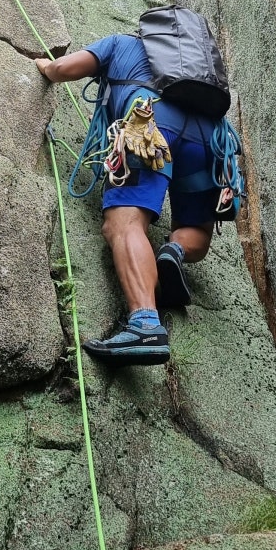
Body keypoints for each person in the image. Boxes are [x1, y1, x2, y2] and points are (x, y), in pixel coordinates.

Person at [36, 27, 223, 366]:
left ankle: (145, 325)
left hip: (149, 125)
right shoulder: (200, 73)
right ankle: (174, 251)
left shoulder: (121, 43)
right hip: (208, 140)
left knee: (123, 223)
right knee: (197, 229)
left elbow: (64, 69)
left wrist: (43, 66)